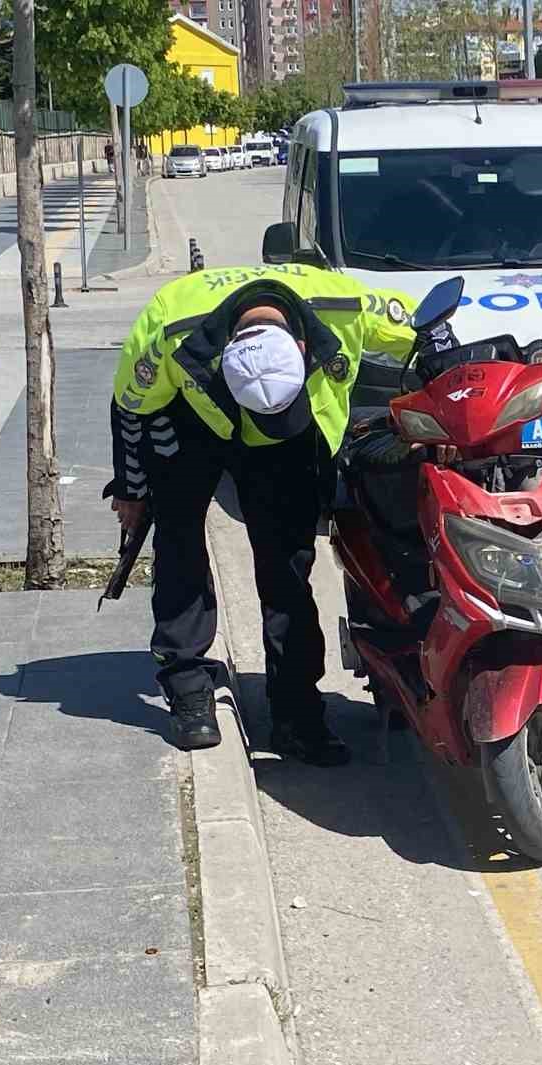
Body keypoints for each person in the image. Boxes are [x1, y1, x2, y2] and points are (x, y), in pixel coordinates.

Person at [108, 263, 418, 761]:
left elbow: (426, 332)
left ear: (302, 347)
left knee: (289, 564)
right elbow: (129, 406)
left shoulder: (346, 304)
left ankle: (296, 713)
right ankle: (188, 687)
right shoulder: (168, 324)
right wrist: (131, 488)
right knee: (178, 541)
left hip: (287, 435)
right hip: (190, 420)